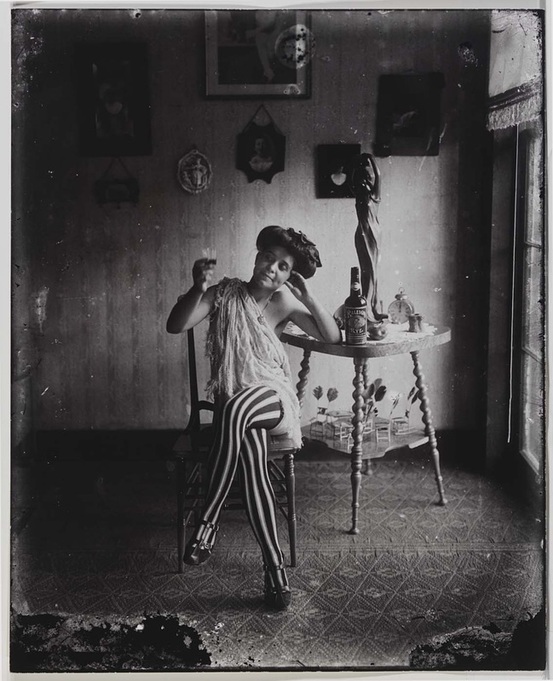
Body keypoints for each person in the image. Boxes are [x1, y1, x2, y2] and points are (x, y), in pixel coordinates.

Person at [166, 226, 341, 610]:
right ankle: (275, 570)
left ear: (287, 274)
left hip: (273, 402)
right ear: (257, 255)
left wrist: (307, 295)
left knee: (240, 408)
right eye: (269, 258)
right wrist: (197, 287)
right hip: (236, 413)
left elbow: (332, 337)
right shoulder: (224, 294)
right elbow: (175, 325)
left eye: (283, 266)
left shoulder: (283, 303)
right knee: (252, 460)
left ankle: (208, 522)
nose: (272, 269)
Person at [350, 153, 384, 322]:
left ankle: (374, 306)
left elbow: (378, 176)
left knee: (373, 271)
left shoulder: (374, 197)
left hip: (373, 233)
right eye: (361, 179)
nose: (363, 182)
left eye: (366, 179)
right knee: (366, 270)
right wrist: (357, 164)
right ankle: (367, 307)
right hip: (361, 233)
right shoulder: (359, 196)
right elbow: (352, 181)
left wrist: (370, 158)